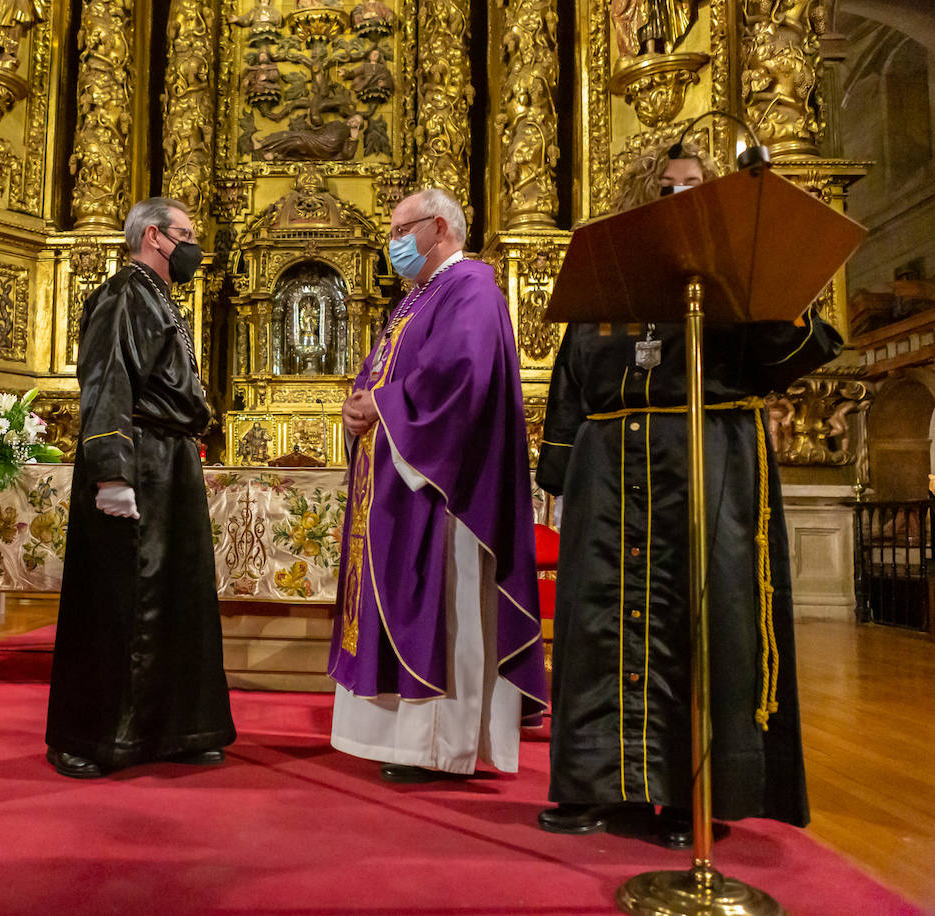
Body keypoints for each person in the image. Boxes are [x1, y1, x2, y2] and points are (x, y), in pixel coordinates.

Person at [535, 143, 842, 848]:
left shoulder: (738, 278)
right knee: (596, 632)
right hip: (607, 476)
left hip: (706, 467)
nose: (680, 197)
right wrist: (560, 473)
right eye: (666, 188)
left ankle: (691, 796)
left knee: (699, 622)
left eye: (694, 186)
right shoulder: (605, 274)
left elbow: (793, 356)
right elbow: (569, 382)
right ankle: (591, 786)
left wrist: (770, 282)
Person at [327, 188, 547, 783]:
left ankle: (437, 747)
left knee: (440, 607)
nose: (392, 241)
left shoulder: (470, 286)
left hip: (442, 489)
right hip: (399, 482)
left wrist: (383, 406)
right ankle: (401, 741)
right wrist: (358, 407)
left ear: (440, 229)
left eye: (402, 229)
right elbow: (385, 375)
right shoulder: (418, 298)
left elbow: (460, 377)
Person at [45, 197, 235, 778]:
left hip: (168, 458)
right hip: (136, 458)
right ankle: (92, 736)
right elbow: (108, 377)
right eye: (187, 235)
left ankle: (175, 727)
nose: (194, 247)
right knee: (120, 599)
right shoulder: (125, 293)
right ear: (155, 237)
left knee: (174, 594)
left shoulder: (158, 297)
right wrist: (111, 468)